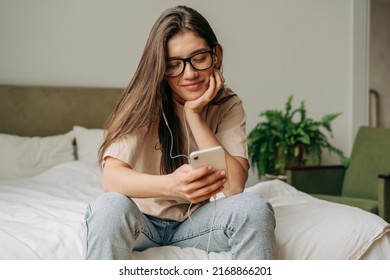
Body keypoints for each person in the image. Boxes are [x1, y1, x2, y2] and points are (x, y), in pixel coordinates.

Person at [84, 5, 276, 260]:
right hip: (142, 223)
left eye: (199, 58)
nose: (190, 74)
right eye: (174, 64)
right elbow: (112, 179)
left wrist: (194, 116)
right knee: (108, 207)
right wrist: (173, 186)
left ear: (216, 54)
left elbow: (234, 187)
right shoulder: (143, 101)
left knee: (256, 208)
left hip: (193, 224)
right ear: (160, 67)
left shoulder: (228, 104)